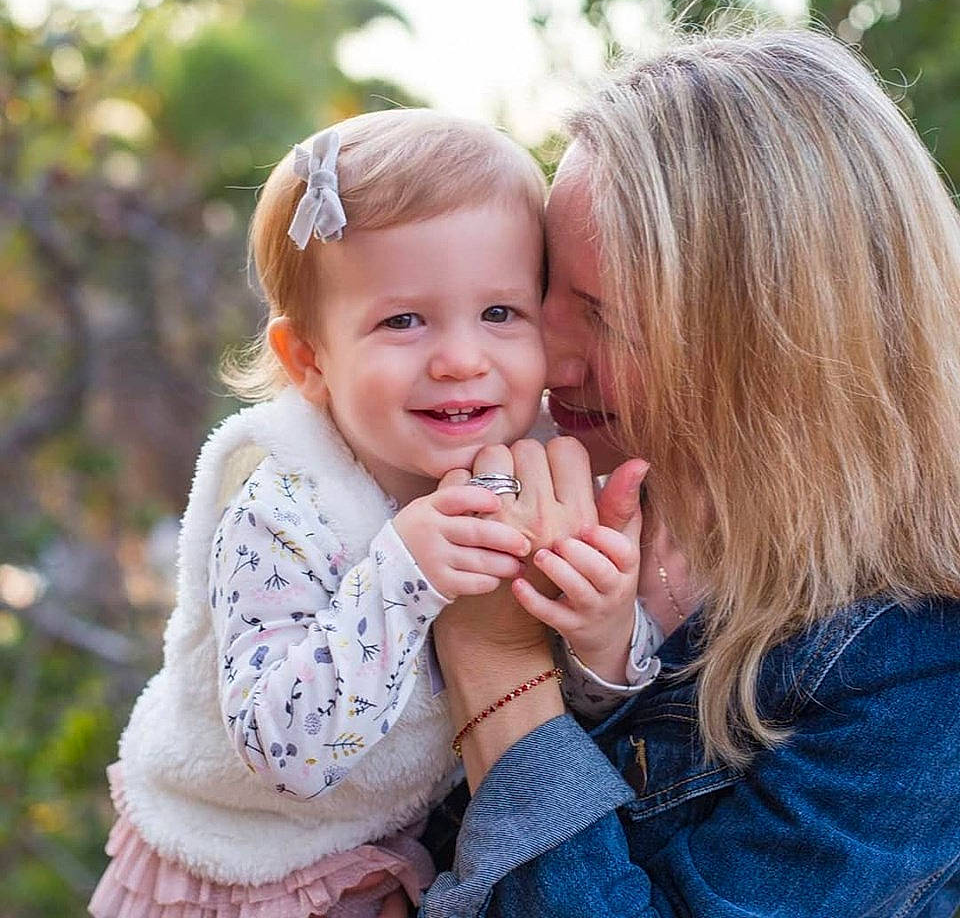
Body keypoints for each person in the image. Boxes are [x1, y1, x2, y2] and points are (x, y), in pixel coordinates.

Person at [419, 28, 960, 917]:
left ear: (780, 342)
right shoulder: (554, 470)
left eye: (605, 316)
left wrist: (491, 660)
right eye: (543, 285)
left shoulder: (912, 667)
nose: (545, 361)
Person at [88, 109, 666, 918]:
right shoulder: (285, 504)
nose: (461, 358)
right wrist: (400, 576)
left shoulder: (530, 466)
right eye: (402, 321)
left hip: (386, 863)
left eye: (500, 313)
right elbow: (285, 751)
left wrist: (604, 637)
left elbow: (583, 716)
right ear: (310, 360)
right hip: (238, 873)